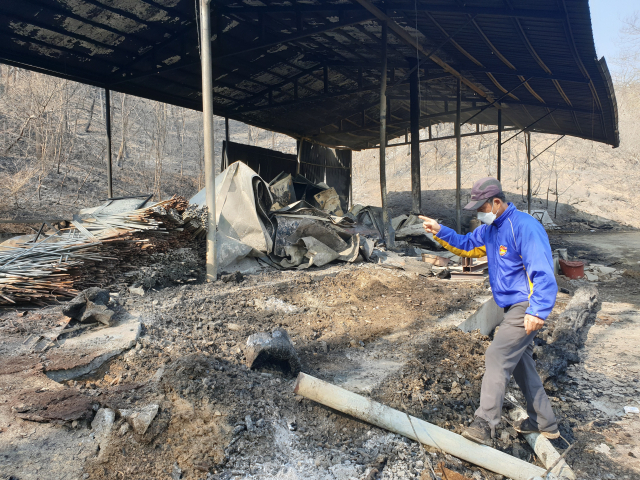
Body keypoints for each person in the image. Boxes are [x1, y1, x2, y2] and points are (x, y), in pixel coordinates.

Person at [419, 177, 559, 446]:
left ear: (496, 203)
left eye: (481, 207)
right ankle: (544, 422)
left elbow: (541, 270)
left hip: (525, 305)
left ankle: (485, 423)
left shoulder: (525, 227)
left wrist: (538, 310)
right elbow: (466, 246)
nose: (478, 214)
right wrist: (438, 229)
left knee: (496, 355)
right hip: (510, 307)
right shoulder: (490, 230)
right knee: (519, 363)